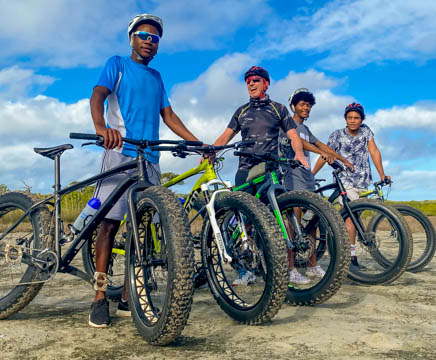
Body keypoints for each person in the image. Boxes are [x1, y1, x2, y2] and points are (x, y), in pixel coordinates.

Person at [88, 14, 202, 328]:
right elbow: (98, 95)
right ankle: (99, 297)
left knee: (142, 232)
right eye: (143, 35)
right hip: (120, 153)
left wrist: (196, 142)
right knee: (109, 225)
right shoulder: (117, 64)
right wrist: (102, 127)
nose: (150, 41)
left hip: (150, 159)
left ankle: (128, 296)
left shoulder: (157, 78)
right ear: (131, 39)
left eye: (155, 38)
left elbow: (168, 115)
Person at [212, 66, 309, 285]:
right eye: (247, 81)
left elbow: (294, 136)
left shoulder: (279, 109)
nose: (251, 84)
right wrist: (211, 151)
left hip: (270, 170)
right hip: (245, 170)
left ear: (266, 83)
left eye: (255, 80)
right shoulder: (241, 111)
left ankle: (290, 268)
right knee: (244, 223)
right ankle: (246, 271)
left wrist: (299, 153)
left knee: (280, 220)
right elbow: (225, 136)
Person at [279, 88, 353, 284]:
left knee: (312, 223)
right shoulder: (287, 124)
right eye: (302, 104)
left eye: (309, 105)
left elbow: (321, 145)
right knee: (293, 224)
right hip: (290, 178)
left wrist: (342, 159)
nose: (306, 108)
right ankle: (290, 268)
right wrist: (324, 154)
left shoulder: (306, 129)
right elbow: (301, 144)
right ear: (293, 106)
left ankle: (312, 266)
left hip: (306, 179)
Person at [312, 102, 390, 269]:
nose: (353, 121)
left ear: (362, 119)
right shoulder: (337, 135)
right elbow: (324, 155)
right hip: (344, 181)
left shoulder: (366, 131)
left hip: (362, 180)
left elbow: (374, 151)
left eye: (356, 118)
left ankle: (347, 252)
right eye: (349, 117)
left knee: (353, 217)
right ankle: (351, 258)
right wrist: (312, 174)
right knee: (351, 218)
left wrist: (382, 174)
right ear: (345, 119)